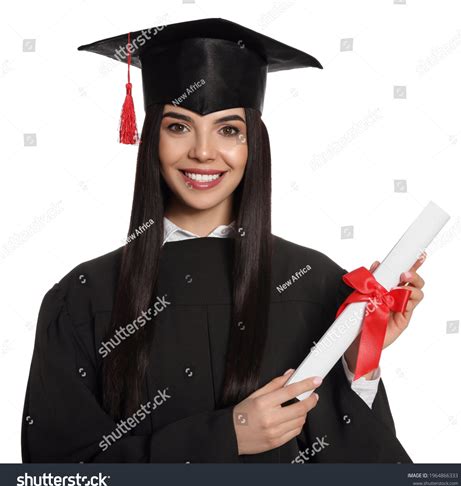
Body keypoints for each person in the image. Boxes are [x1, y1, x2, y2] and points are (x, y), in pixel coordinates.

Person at [21, 18, 425, 463]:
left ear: (254, 144)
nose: (203, 152)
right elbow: (57, 474)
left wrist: (357, 361)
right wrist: (226, 435)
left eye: (229, 130)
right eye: (178, 126)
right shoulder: (84, 297)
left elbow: (368, 471)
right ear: (150, 136)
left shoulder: (315, 283)